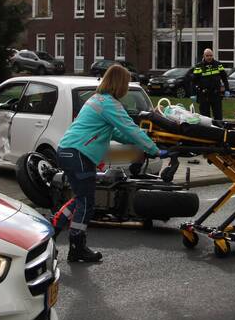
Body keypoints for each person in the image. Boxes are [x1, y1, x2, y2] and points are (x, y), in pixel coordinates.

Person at [57, 65, 162, 261]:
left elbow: (115, 132)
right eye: (126, 83)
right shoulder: (109, 104)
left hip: (68, 152)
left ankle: (53, 232)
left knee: (81, 200)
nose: (126, 88)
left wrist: (139, 142)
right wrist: (153, 149)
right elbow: (130, 128)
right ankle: (77, 247)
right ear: (119, 84)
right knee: (86, 203)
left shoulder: (96, 99)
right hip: (79, 155)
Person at [190, 48, 229, 122]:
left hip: (216, 94)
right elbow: (193, 81)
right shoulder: (199, 66)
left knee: (218, 116)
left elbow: (224, 78)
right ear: (204, 56)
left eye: (210, 55)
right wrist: (193, 94)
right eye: (207, 55)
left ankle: (219, 130)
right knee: (205, 117)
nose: (209, 57)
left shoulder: (218, 64)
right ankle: (207, 132)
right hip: (203, 95)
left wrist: (227, 89)